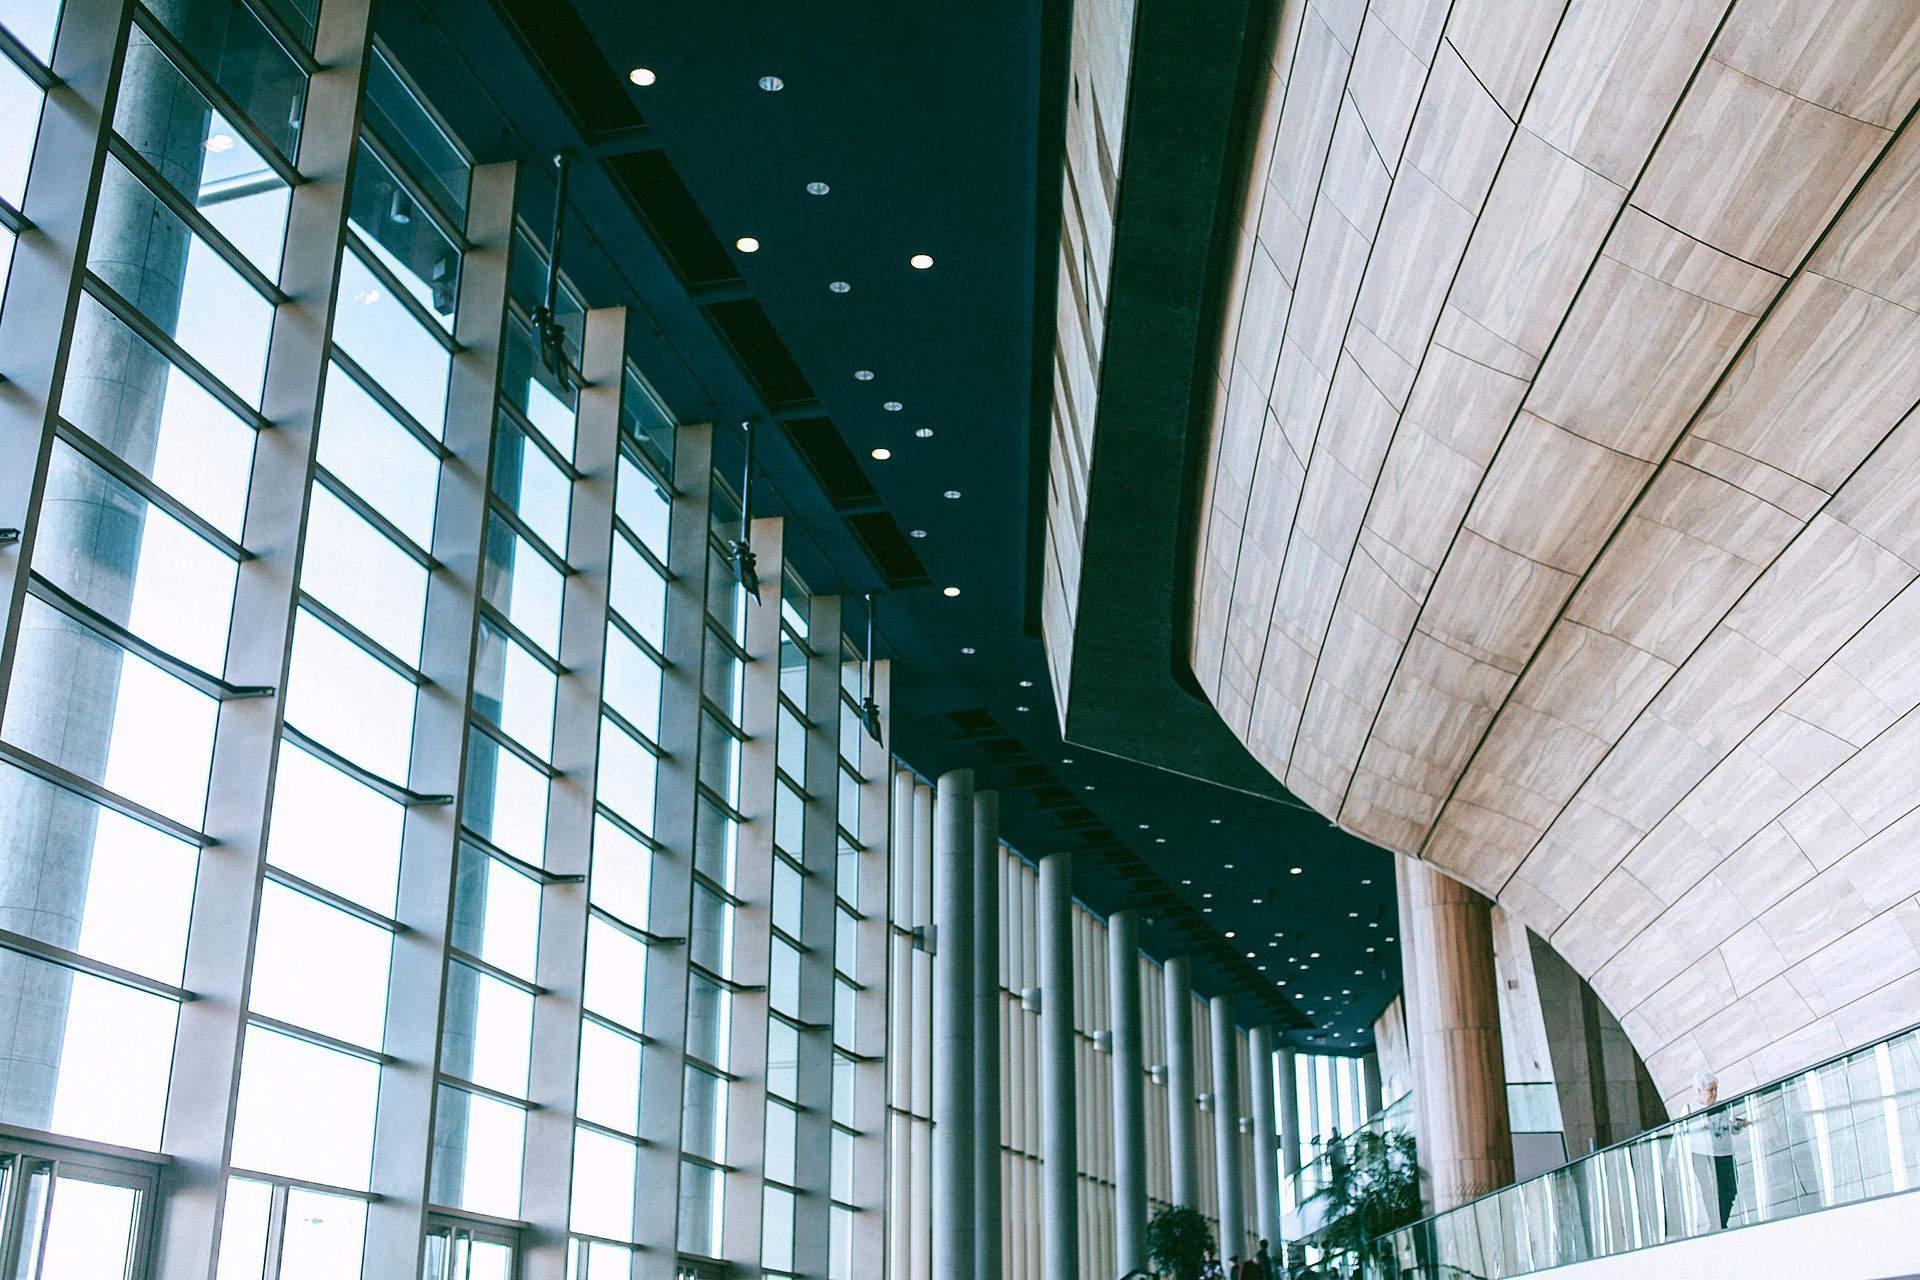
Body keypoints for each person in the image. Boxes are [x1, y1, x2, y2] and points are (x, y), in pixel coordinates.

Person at [1686, 1069, 1746, 1229]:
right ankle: (1719, 1225)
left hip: (1725, 1153)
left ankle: (1717, 1225)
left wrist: (1740, 1123)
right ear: (1699, 1090)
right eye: (1710, 1090)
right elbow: (1680, 1134)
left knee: (1730, 1189)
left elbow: (1731, 1127)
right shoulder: (1689, 1108)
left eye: (1715, 1089)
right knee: (1711, 1191)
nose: (1714, 1093)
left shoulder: (1721, 1107)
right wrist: (1672, 1159)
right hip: (1703, 1155)